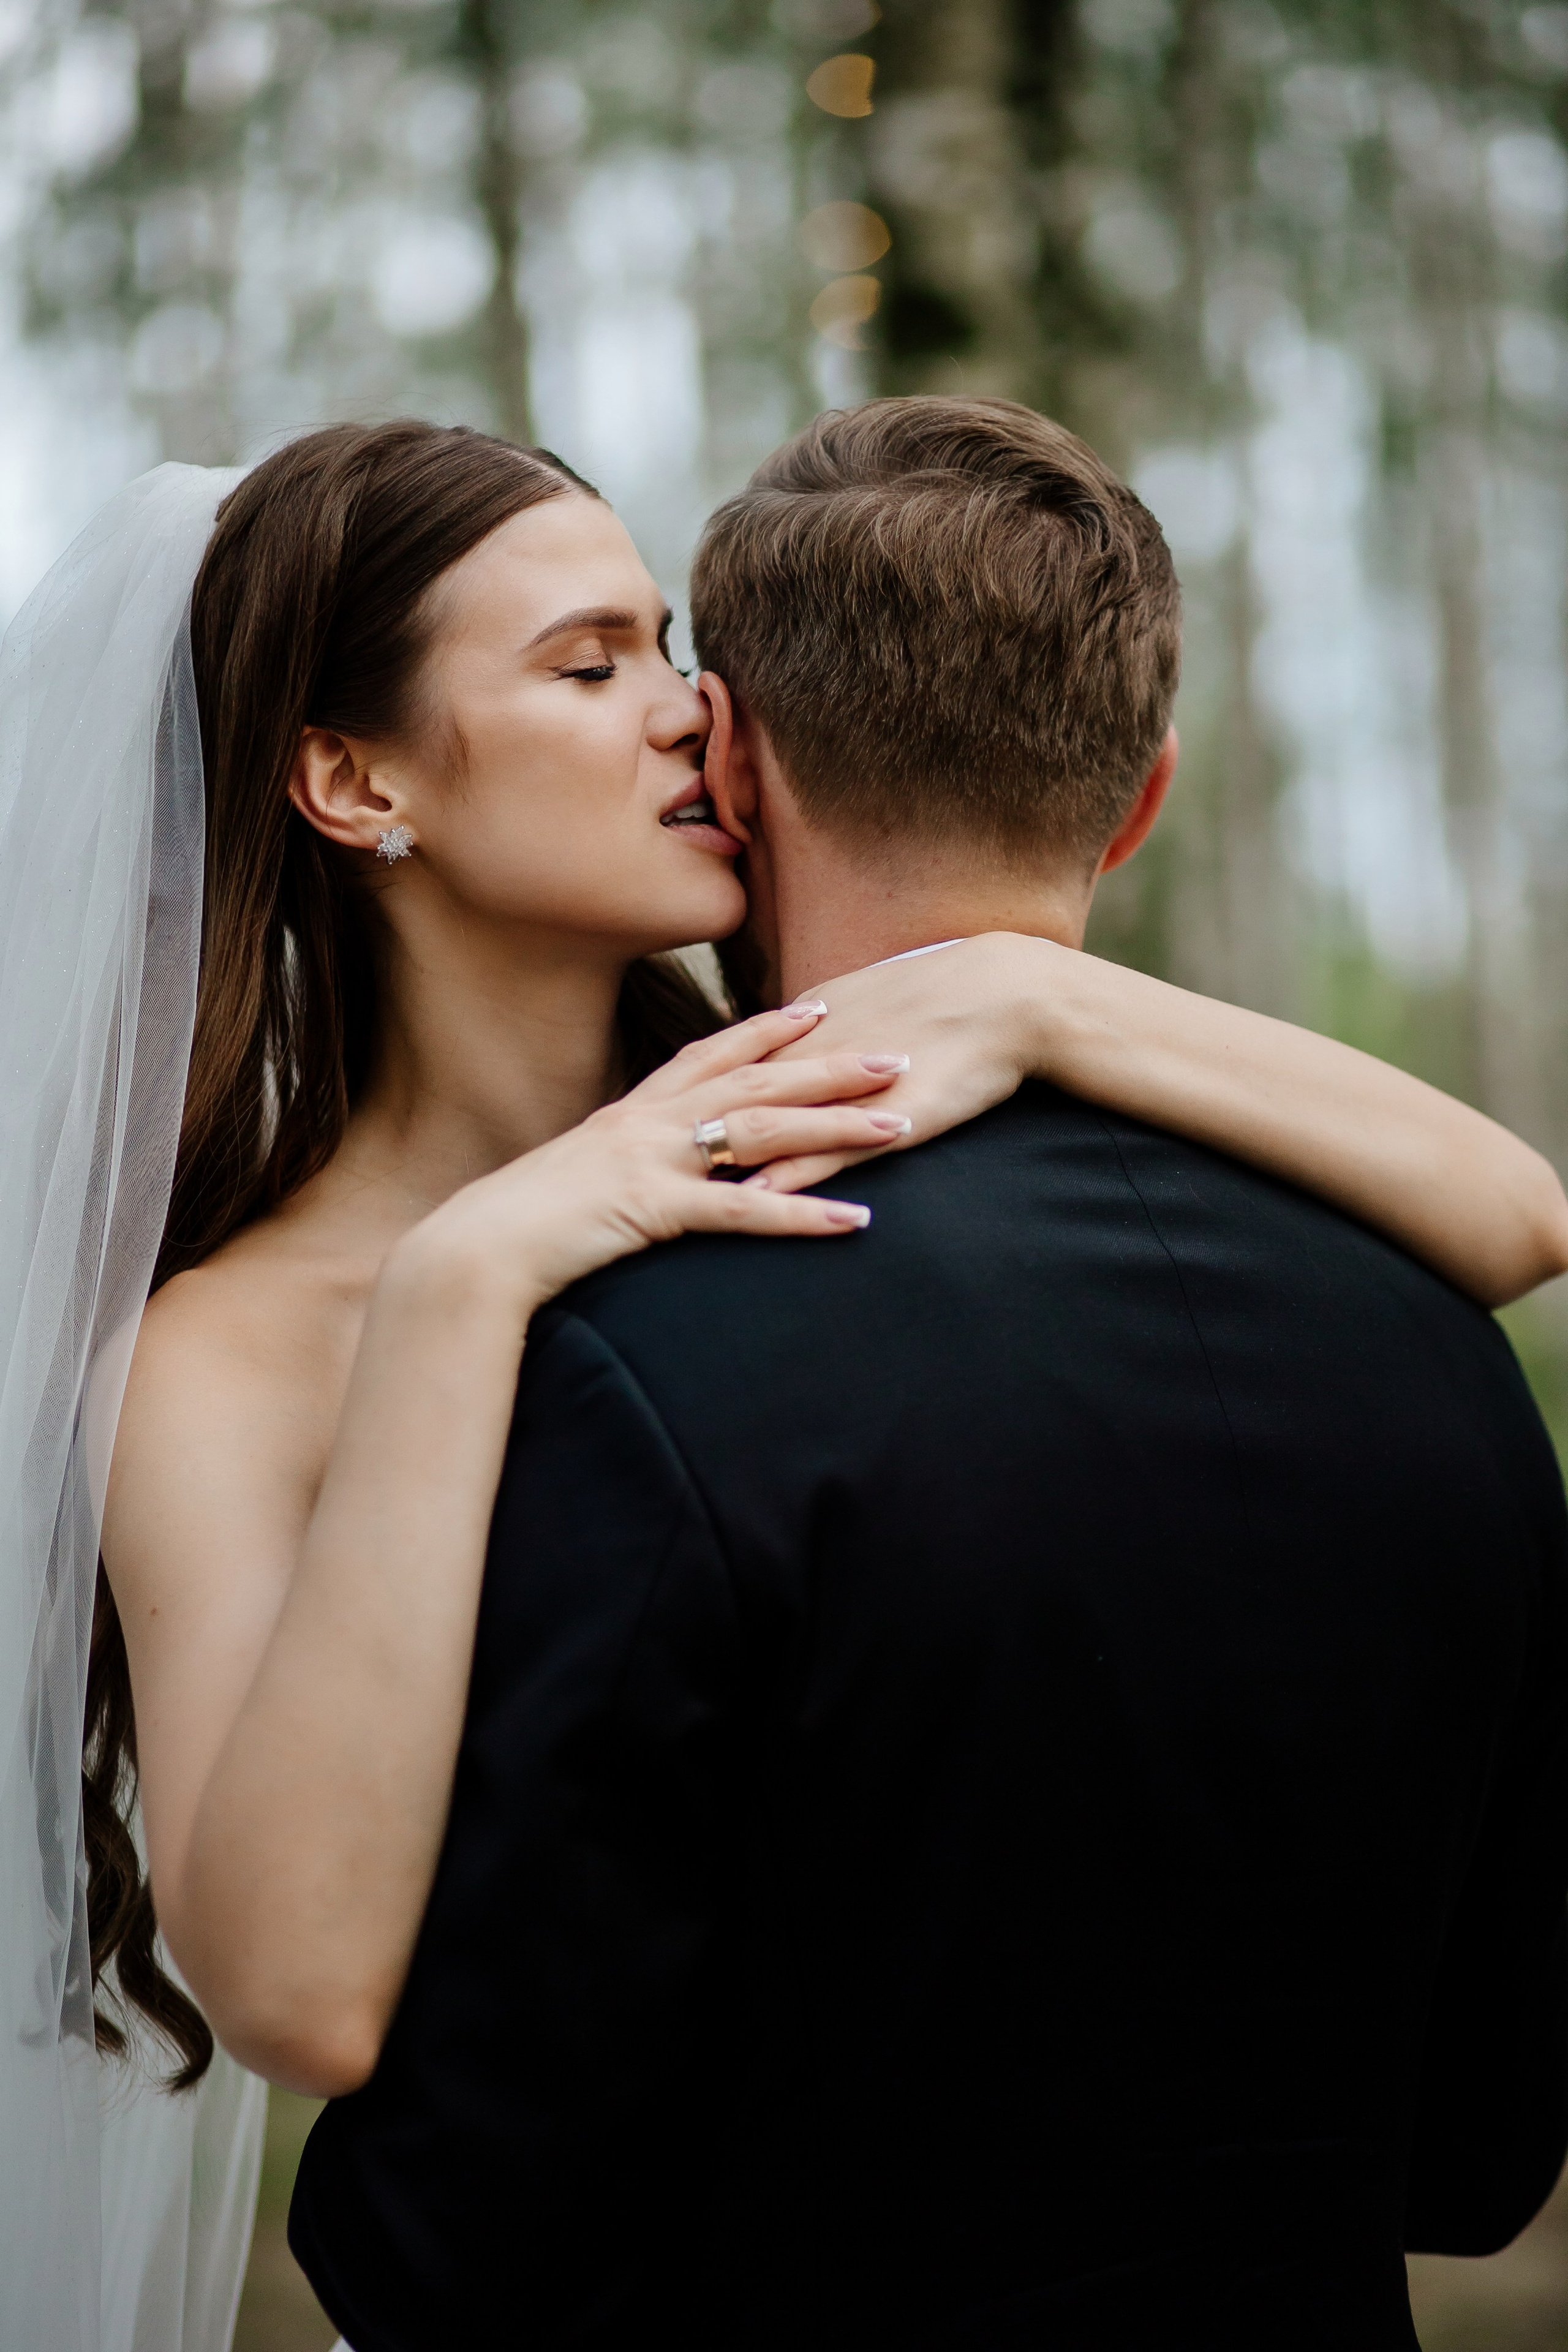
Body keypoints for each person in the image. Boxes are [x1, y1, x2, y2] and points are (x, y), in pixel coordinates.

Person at [2, 413, 1561, 2349]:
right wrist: (464, 1281)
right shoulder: (224, 1355)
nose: (689, 713)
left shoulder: (839, 1117)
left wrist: (1038, 990)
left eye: (671, 650)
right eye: (592, 668)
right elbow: (301, 2000)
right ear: (349, 775)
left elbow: (1514, 1213)